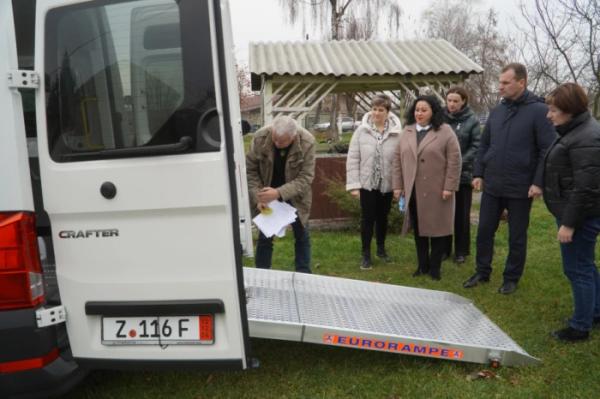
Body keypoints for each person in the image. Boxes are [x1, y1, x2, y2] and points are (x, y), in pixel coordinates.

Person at [463, 63, 556, 294]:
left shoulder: (539, 111)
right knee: (484, 230)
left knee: (517, 235)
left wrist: (538, 182)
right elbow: (485, 144)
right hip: (493, 184)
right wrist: (478, 173)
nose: (500, 87)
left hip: (521, 187)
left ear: (521, 82)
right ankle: (482, 271)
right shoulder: (498, 110)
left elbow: (548, 149)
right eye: (500, 82)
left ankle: (511, 277)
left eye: (505, 82)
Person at [543, 83, 600, 342]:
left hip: (581, 216)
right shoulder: (574, 130)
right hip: (577, 212)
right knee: (585, 266)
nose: (549, 115)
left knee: (577, 269)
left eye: (553, 110)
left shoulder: (586, 137)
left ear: (569, 110)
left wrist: (568, 224)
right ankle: (595, 312)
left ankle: (580, 327)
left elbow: (585, 188)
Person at [392, 95, 461, 280]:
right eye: (417, 110)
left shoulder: (445, 131)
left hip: (438, 191)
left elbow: (454, 161)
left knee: (437, 230)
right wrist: (398, 186)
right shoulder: (406, 131)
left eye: (424, 110)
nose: (419, 113)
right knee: (419, 229)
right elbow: (397, 161)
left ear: (433, 112)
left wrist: (449, 186)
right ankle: (422, 266)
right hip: (413, 190)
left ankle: (435, 268)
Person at [246, 115, 316, 273]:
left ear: (294, 136)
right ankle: (262, 274)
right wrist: (258, 196)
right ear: (271, 130)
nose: (277, 144)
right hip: (265, 194)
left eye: (282, 142)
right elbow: (250, 170)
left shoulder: (307, 142)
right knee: (265, 236)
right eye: (275, 139)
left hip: (296, 196)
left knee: (302, 235)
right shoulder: (260, 138)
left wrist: (278, 193)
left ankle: (304, 275)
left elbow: (306, 177)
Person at [346, 94, 403, 270]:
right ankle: (366, 255)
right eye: (374, 109)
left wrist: (398, 186)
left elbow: (400, 161)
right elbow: (353, 158)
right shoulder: (361, 131)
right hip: (367, 184)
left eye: (380, 110)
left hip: (386, 185)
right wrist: (354, 185)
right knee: (367, 219)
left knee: (382, 218)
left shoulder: (397, 133)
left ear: (388, 112)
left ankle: (381, 249)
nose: (376, 113)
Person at [442, 87, 481, 264]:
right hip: (441, 175)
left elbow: (476, 146)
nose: (452, 104)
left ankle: (461, 251)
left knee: (461, 214)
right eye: (449, 100)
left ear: (463, 101)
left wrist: (457, 162)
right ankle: (443, 249)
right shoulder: (440, 119)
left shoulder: (471, 120)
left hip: (463, 175)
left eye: (455, 101)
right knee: (443, 214)